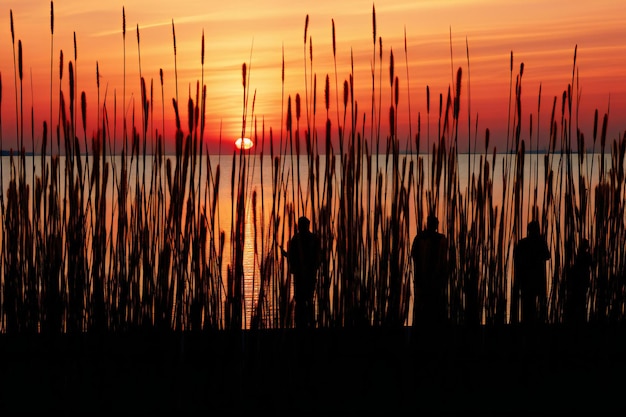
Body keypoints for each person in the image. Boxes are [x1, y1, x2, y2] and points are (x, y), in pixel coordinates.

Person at [411, 214, 448, 325]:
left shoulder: (420, 238)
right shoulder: (439, 239)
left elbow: (414, 255)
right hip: (431, 281)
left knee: (426, 307)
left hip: (428, 280)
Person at [287, 216, 321, 329]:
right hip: (302, 275)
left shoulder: (305, 239)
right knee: (302, 300)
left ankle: (305, 323)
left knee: (306, 299)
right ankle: (303, 323)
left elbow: (317, 257)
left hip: (307, 275)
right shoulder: (300, 239)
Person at [514, 220, 551, 324]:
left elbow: (517, 259)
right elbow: (547, 256)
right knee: (535, 302)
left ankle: (531, 322)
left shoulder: (523, 243)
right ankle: (538, 321)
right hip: (535, 278)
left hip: (528, 278)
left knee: (529, 303)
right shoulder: (539, 242)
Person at [565, 239, 592, 325]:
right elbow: (592, 265)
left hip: (580, 281)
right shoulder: (584, 256)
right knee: (581, 300)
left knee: (579, 300)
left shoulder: (580, 256)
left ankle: (578, 320)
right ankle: (580, 320)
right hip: (581, 281)